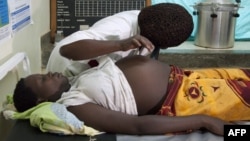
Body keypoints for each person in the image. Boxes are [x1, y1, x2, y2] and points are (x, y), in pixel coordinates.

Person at [13, 3, 250, 136]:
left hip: (184, 77)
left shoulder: (75, 78)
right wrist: (203, 121)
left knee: (243, 75)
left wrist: (122, 45)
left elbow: (68, 50)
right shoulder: (74, 104)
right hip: (183, 99)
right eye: (44, 80)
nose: (50, 73)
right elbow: (138, 126)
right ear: (42, 101)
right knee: (242, 102)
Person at [46, 2, 194, 74]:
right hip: (67, 65)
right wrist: (120, 44)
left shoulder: (151, 23)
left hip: (90, 70)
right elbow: (70, 50)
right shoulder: (119, 30)